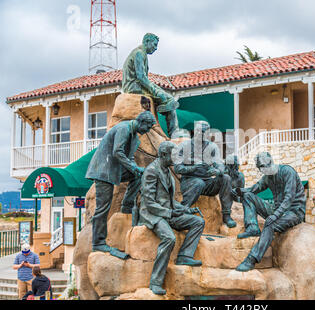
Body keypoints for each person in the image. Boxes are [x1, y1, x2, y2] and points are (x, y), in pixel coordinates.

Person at [136, 141, 204, 295]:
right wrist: (169, 213)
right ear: (164, 154)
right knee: (169, 238)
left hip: (168, 212)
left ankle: (184, 256)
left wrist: (186, 209)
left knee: (198, 222)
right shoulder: (151, 171)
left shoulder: (168, 172)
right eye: (173, 155)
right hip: (153, 214)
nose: (176, 158)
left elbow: (171, 201)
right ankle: (155, 281)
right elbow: (149, 202)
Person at [86, 111, 157, 253]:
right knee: (102, 208)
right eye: (147, 127)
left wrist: (137, 169)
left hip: (113, 170)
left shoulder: (134, 137)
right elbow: (117, 152)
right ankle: (98, 243)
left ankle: (127, 206)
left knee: (137, 175)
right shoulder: (124, 129)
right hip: (103, 171)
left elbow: (129, 158)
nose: (147, 131)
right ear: (141, 122)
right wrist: (134, 167)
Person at [235, 152, 306, 272]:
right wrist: (238, 191)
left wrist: (275, 216)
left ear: (271, 161)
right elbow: (254, 189)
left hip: (294, 211)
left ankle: (252, 259)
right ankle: (252, 228)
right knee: (248, 196)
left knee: (270, 223)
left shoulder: (287, 171)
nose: (265, 168)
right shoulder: (267, 178)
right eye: (262, 167)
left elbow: (289, 198)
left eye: (267, 164)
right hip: (277, 209)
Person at [174, 121, 237, 228]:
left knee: (225, 178)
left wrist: (218, 171)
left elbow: (220, 165)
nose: (202, 134)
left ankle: (226, 215)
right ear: (196, 131)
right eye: (200, 131)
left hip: (208, 183)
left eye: (205, 132)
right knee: (198, 182)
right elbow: (177, 168)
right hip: (189, 182)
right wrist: (192, 168)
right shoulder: (184, 146)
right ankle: (182, 211)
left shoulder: (212, 147)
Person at [122, 33, 179, 137]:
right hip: (133, 87)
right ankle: (174, 133)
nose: (156, 48)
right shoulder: (139, 53)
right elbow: (141, 77)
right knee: (169, 100)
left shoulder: (141, 53)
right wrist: (156, 91)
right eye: (155, 45)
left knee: (168, 98)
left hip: (138, 85)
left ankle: (164, 110)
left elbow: (144, 79)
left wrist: (156, 89)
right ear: (147, 42)